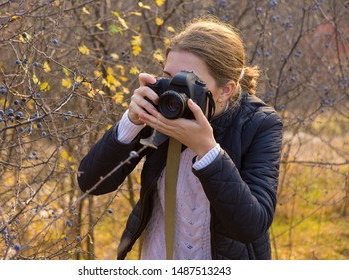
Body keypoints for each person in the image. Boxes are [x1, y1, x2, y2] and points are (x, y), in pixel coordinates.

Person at [77, 16, 283, 260]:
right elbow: (91, 183)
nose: (176, 92)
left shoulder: (260, 123)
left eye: (189, 82)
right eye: (170, 77)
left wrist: (208, 151)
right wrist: (131, 122)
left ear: (226, 89)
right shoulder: (163, 107)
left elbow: (251, 226)